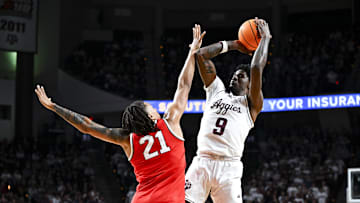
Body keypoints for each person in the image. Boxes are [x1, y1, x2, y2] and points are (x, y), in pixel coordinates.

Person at [35, 24, 206, 203]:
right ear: (150, 117)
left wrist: (54, 107)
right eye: (151, 108)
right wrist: (192, 52)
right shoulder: (170, 122)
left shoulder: (127, 139)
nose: (156, 109)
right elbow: (184, 85)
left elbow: (86, 126)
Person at [185, 18, 271, 203]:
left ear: (250, 85)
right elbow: (200, 55)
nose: (234, 78)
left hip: (228, 167)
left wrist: (265, 38)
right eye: (234, 75)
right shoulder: (216, 91)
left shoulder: (251, 104)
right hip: (202, 162)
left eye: (241, 77)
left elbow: (256, 67)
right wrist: (234, 45)